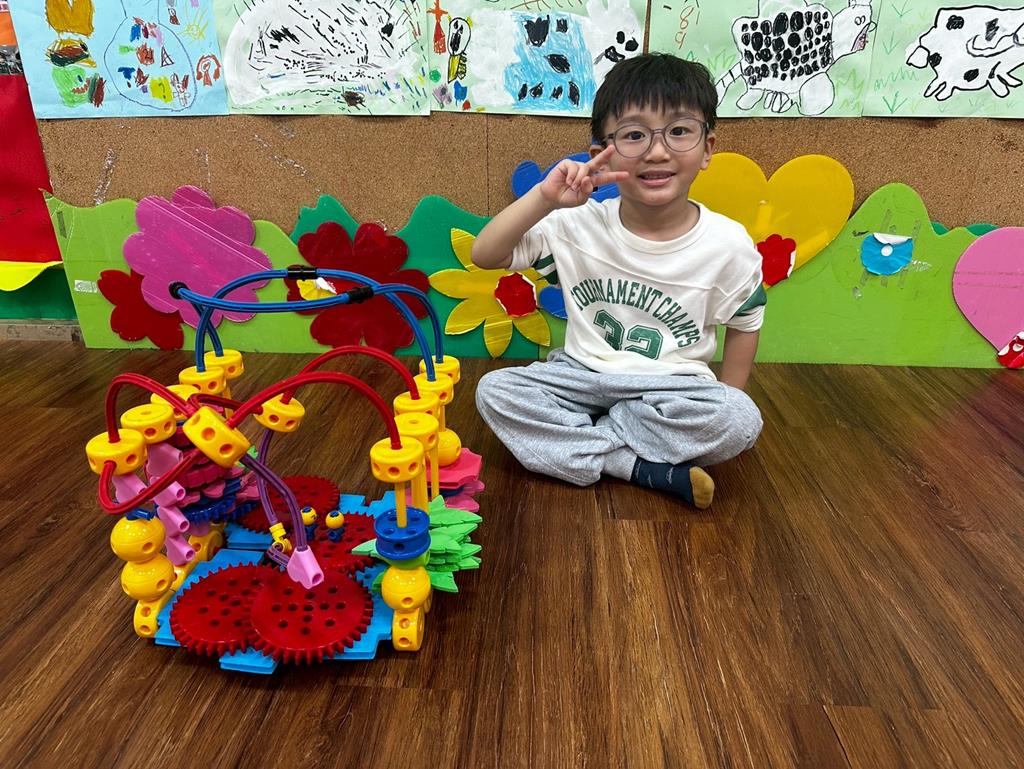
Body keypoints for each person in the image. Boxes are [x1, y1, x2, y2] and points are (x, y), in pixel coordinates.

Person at [471, 53, 765, 509]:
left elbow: (745, 322)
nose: (656, 151)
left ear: (708, 148)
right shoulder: (577, 225)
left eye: (679, 130)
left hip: (670, 388)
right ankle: (634, 465)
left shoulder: (727, 244)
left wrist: (721, 403)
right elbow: (485, 254)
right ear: (599, 156)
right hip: (579, 376)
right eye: (633, 134)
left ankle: (590, 443)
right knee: (495, 392)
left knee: (740, 418)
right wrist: (544, 198)